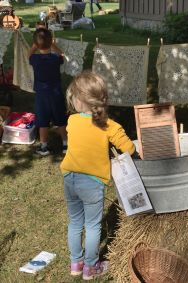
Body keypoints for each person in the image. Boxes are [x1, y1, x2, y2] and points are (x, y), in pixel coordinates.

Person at [60, 71, 135, 280]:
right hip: (92, 182)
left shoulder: (72, 121)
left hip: (70, 178)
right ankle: (91, 267)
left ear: (76, 99)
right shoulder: (108, 125)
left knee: (75, 222)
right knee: (93, 225)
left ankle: (76, 263)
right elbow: (128, 148)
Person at [29, 28, 68, 156]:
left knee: (42, 121)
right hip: (56, 94)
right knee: (61, 119)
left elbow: (28, 55)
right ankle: (65, 144)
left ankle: (44, 147)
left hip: (42, 96)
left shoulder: (34, 59)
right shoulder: (56, 58)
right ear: (51, 41)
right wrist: (53, 45)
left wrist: (34, 46)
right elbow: (62, 55)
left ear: (36, 44)